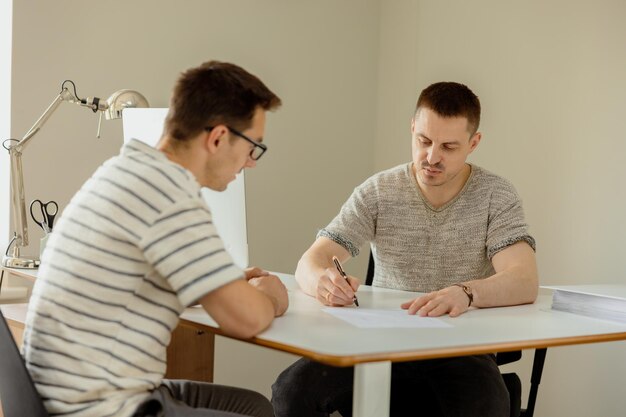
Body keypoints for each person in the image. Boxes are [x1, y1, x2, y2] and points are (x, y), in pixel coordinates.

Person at [23, 61, 288, 417]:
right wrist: (270, 297)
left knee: (254, 406)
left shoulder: (126, 170)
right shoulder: (168, 196)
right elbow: (246, 320)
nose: (251, 162)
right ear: (219, 137)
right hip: (99, 407)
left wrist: (222, 282)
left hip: (61, 392)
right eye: (253, 146)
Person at [271, 81, 538, 417]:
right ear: (412, 128)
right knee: (290, 392)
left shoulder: (495, 195)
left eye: (449, 147)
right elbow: (312, 260)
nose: (432, 157)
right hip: (381, 339)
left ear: (474, 143)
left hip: (460, 344)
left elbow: (524, 279)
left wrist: (465, 293)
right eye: (423, 141)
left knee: (487, 406)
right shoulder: (380, 190)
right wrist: (323, 282)